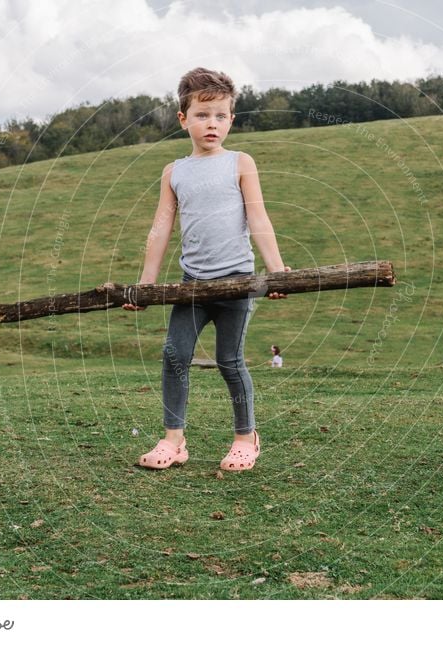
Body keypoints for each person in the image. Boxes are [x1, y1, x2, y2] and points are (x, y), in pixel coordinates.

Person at [124, 67, 289, 471]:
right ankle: (173, 441)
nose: (211, 123)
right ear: (184, 120)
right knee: (174, 354)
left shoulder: (240, 163)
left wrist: (278, 271)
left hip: (237, 283)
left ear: (231, 119)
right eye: (202, 115)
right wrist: (145, 285)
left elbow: (259, 219)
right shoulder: (174, 172)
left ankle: (245, 438)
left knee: (229, 360)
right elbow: (160, 229)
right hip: (192, 285)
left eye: (220, 115)